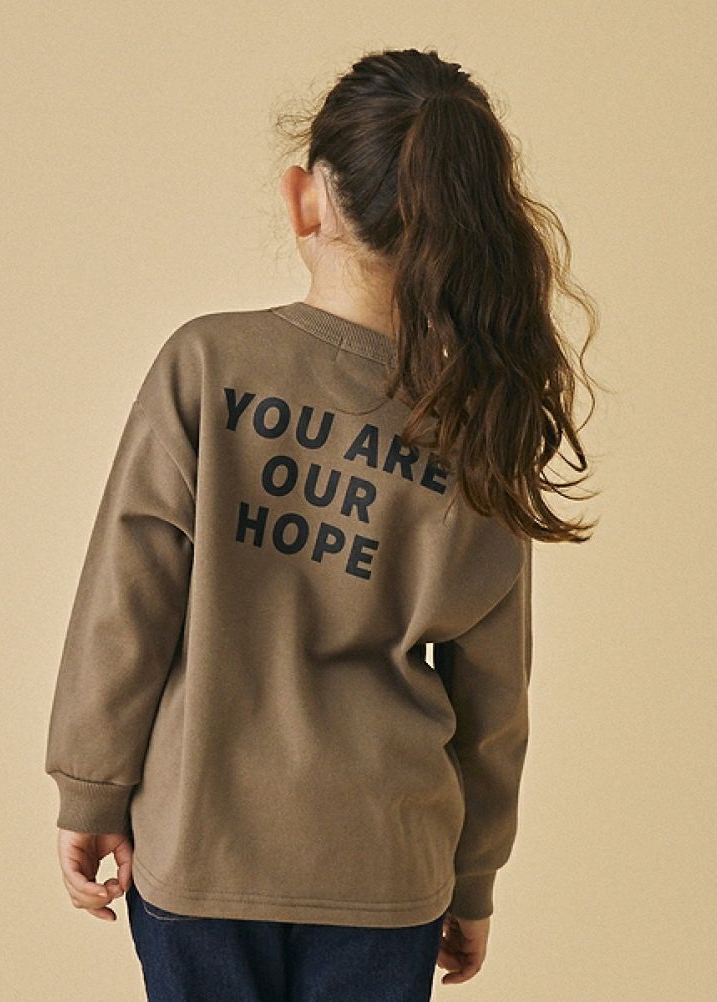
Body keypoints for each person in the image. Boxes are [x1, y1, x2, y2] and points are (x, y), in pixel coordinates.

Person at [45, 46, 600, 1001]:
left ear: (307, 200)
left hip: (201, 848)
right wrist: (474, 874)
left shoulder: (208, 364)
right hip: (386, 868)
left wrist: (90, 786)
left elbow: (126, 601)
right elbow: (494, 696)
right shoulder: (480, 425)